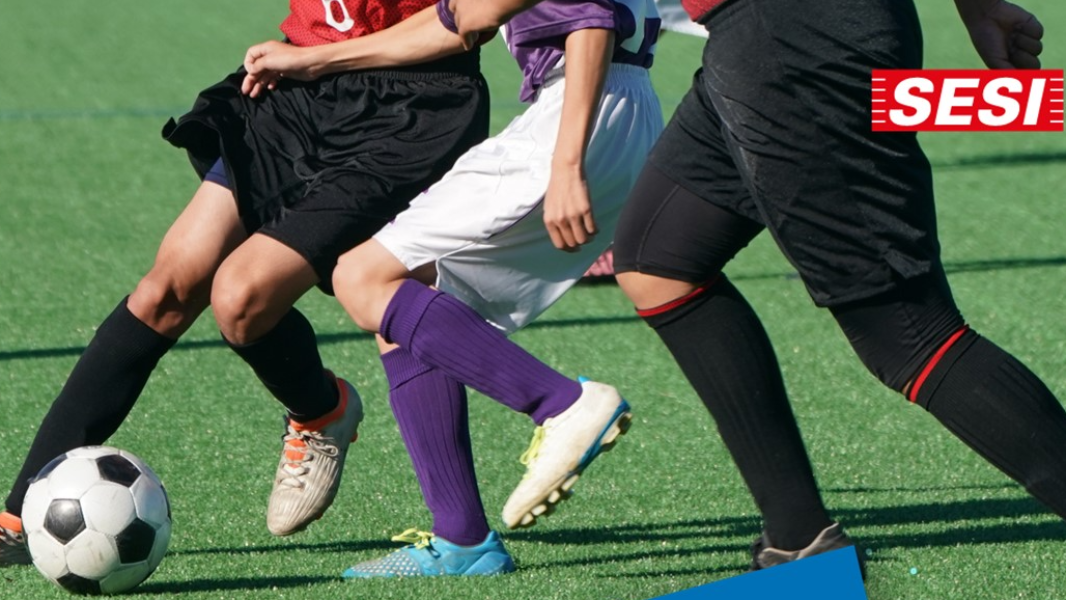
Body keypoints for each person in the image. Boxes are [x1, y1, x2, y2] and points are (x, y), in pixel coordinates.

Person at [447, 0, 1064, 576]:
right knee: (660, 262)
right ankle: (800, 543)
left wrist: (448, 22)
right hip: (757, 37)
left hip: (797, 44)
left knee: (907, 332)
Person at [0, 0, 490, 566]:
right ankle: (16, 517)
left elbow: (463, 26)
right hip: (296, 88)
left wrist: (324, 59)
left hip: (411, 108)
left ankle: (459, 526)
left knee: (260, 300)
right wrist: (310, 62)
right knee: (167, 288)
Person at [244, 0, 663, 576]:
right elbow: (460, 19)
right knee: (411, 290)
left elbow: (589, 16)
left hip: (577, 112)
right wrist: (319, 61)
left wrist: (567, 164)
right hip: (623, 112)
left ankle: (562, 403)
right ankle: (464, 542)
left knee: (361, 276)